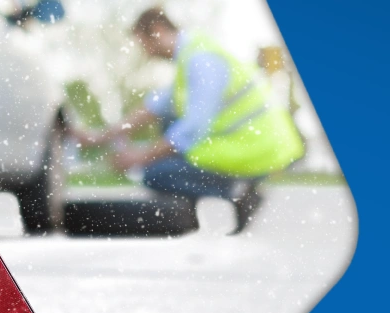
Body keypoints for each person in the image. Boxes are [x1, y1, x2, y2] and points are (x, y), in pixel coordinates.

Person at [75, 7, 304, 233]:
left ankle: (239, 189)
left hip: (259, 148)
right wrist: (100, 137)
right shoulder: (191, 56)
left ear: (156, 30)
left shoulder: (201, 60)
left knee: (156, 173)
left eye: (143, 43)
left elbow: (192, 130)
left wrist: (138, 158)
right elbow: (153, 108)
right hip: (249, 145)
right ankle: (202, 206)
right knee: (166, 125)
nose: (145, 52)